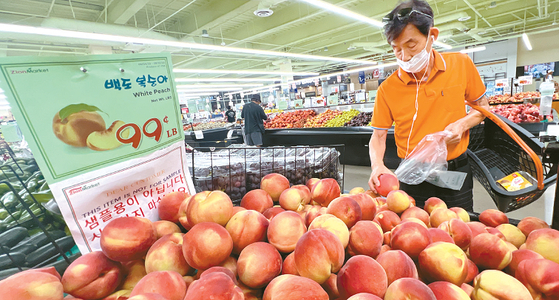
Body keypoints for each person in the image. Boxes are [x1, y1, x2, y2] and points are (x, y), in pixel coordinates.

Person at [368, 0, 490, 211]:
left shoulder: (460, 65)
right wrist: (377, 164)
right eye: (396, 49)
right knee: (413, 235)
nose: (404, 56)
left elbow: (483, 107)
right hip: (411, 176)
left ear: (432, 36)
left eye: (411, 45)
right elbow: (378, 136)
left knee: (459, 232)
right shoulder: (387, 89)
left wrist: (462, 125)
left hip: (454, 173)